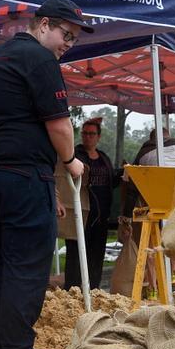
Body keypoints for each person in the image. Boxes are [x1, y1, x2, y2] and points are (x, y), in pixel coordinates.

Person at [0, 0, 91, 349]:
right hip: (21, 176)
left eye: (73, 38)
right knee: (28, 266)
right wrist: (70, 160)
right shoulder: (40, 60)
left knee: (1, 263)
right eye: (64, 34)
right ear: (42, 25)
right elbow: (58, 125)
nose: (67, 43)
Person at [62, 118, 118, 291]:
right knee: (75, 254)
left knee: (96, 254)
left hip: (100, 216)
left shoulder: (104, 158)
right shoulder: (75, 155)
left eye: (91, 134)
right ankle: (72, 290)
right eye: (85, 133)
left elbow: (111, 181)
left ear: (98, 137)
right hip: (81, 213)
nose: (88, 137)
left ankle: (93, 290)